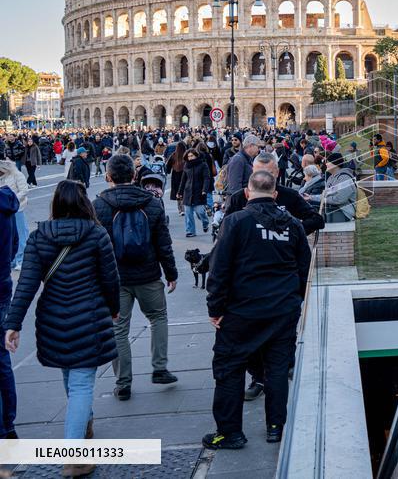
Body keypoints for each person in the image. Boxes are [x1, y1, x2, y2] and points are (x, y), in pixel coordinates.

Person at [3, 181, 120, 477]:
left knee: (71, 377)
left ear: (55, 203)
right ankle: (73, 457)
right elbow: (110, 279)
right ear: (85, 203)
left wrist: (13, 324)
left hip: (53, 317)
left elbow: (27, 284)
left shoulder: (39, 235)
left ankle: (84, 421)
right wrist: (115, 308)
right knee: (81, 384)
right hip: (90, 317)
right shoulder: (96, 234)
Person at [203, 171, 311, 450]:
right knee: (277, 368)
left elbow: (219, 270)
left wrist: (215, 308)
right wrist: (293, 302)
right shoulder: (294, 226)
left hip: (242, 311)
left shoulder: (236, 222)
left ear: (248, 193)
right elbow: (304, 270)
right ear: (275, 195)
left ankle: (229, 432)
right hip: (282, 310)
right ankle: (276, 427)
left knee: (229, 368)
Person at [94, 155, 178, 401]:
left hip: (115, 278)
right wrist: (170, 273)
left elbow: (94, 247)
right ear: (134, 176)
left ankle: (123, 383)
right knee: (158, 317)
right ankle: (160, 368)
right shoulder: (151, 203)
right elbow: (164, 242)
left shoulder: (98, 205)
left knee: (118, 328)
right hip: (148, 274)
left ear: (108, 177)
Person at [0, 185, 19, 440]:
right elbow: (15, 245)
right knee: (2, 359)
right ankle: (8, 424)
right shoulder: (6, 203)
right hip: (2, 282)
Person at [0, 161, 28, 272]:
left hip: (18, 208)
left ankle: (21, 260)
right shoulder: (2, 177)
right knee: (9, 236)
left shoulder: (17, 175)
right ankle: (12, 259)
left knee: (21, 235)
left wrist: (11, 199)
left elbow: (24, 190)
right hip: (5, 210)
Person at [179, 148, 212, 237]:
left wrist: (204, 190)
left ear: (196, 155)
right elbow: (183, 179)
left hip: (199, 192)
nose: (190, 158)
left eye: (192, 156)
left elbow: (206, 178)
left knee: (200, 212)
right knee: (188, 214)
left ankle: (205, 223)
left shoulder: (203, 165)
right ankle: (190, 231)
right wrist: (180, 192)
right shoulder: (186, 165)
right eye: (188, 156)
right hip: (188, 192)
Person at [318, 153, 357, 223]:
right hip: (333, 208)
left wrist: (324, 200)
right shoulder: (331, 178)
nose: (326, 164)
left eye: (328, 162)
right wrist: (310, 197)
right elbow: (325, 194)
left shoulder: (345, 178)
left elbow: (340, 199)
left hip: (345, 213)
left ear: (335, 164)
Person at [223, 134, 260, 198]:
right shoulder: (238, 160)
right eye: (258, 147)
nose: (259, 150)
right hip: (239, 203)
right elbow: (234, 188)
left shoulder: (247, 158)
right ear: (251, 146)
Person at [167, 140, 187, 215]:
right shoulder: (186, 155)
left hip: (175, 175)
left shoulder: (173, 155)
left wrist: (168, 171)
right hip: (185, 174)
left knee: (178, 192)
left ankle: (180, 209)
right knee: (185, 190)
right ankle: (185, 207)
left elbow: (168, 165)